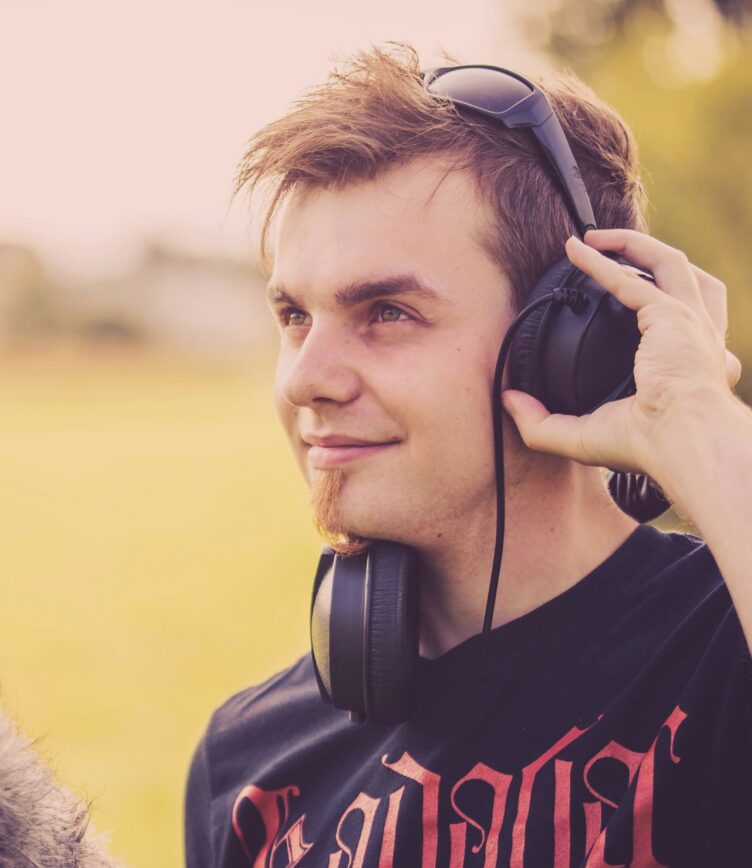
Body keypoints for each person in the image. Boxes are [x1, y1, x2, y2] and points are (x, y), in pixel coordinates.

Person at [184, 43, 752, 867]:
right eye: (295, 316)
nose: (306, 379)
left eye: (386, 311)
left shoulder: (721, 649)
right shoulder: (248, 764)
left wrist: (699, 419)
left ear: (568, 345)